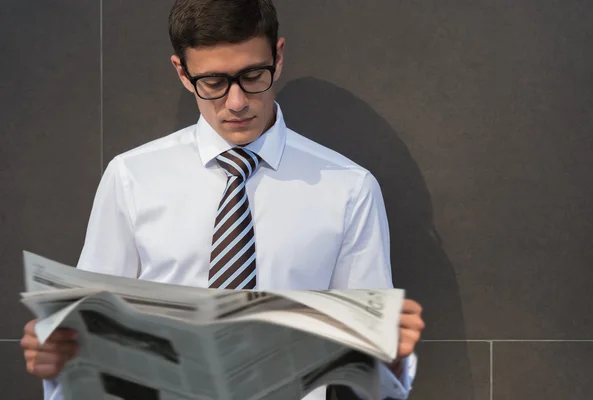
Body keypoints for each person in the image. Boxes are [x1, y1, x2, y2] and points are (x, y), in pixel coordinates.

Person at [20, 0, 425, 399]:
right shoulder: (132, 178)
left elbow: (369, 360)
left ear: (278, 57)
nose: (236, 102)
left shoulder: (349, 188)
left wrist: (390, 357)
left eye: (253, 75)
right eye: (213, 82)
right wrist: (59, 353)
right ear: (182, 72)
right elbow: (88, 337)